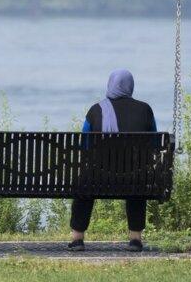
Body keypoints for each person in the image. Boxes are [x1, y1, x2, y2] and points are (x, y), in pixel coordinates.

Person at [67, 68, 156, 252]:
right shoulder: (145, 110)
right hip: (134, 178)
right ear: (130, 86)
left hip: (99, 177)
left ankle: (77, 239)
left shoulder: (96, 110)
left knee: (84, 184)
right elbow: (154, 143)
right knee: (137, 178)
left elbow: (85, 144)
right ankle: (135, 239)